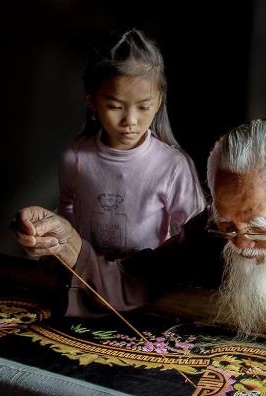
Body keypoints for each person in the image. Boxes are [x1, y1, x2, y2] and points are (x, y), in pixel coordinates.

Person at [14, 120, 266, 354]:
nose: (240, 244)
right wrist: (69, 244)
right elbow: (133, 280)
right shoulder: (210, 233)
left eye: (258, 227)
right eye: (226, 225)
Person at [56, 28, 205, 260]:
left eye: (143, 107)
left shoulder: (172, 166)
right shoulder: (76, 158)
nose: (130, 122)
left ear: (158, 102)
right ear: (91, 101)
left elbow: (195, 230)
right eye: (116, 106)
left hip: (147, 279)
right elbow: (66, 210)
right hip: (89, 274)